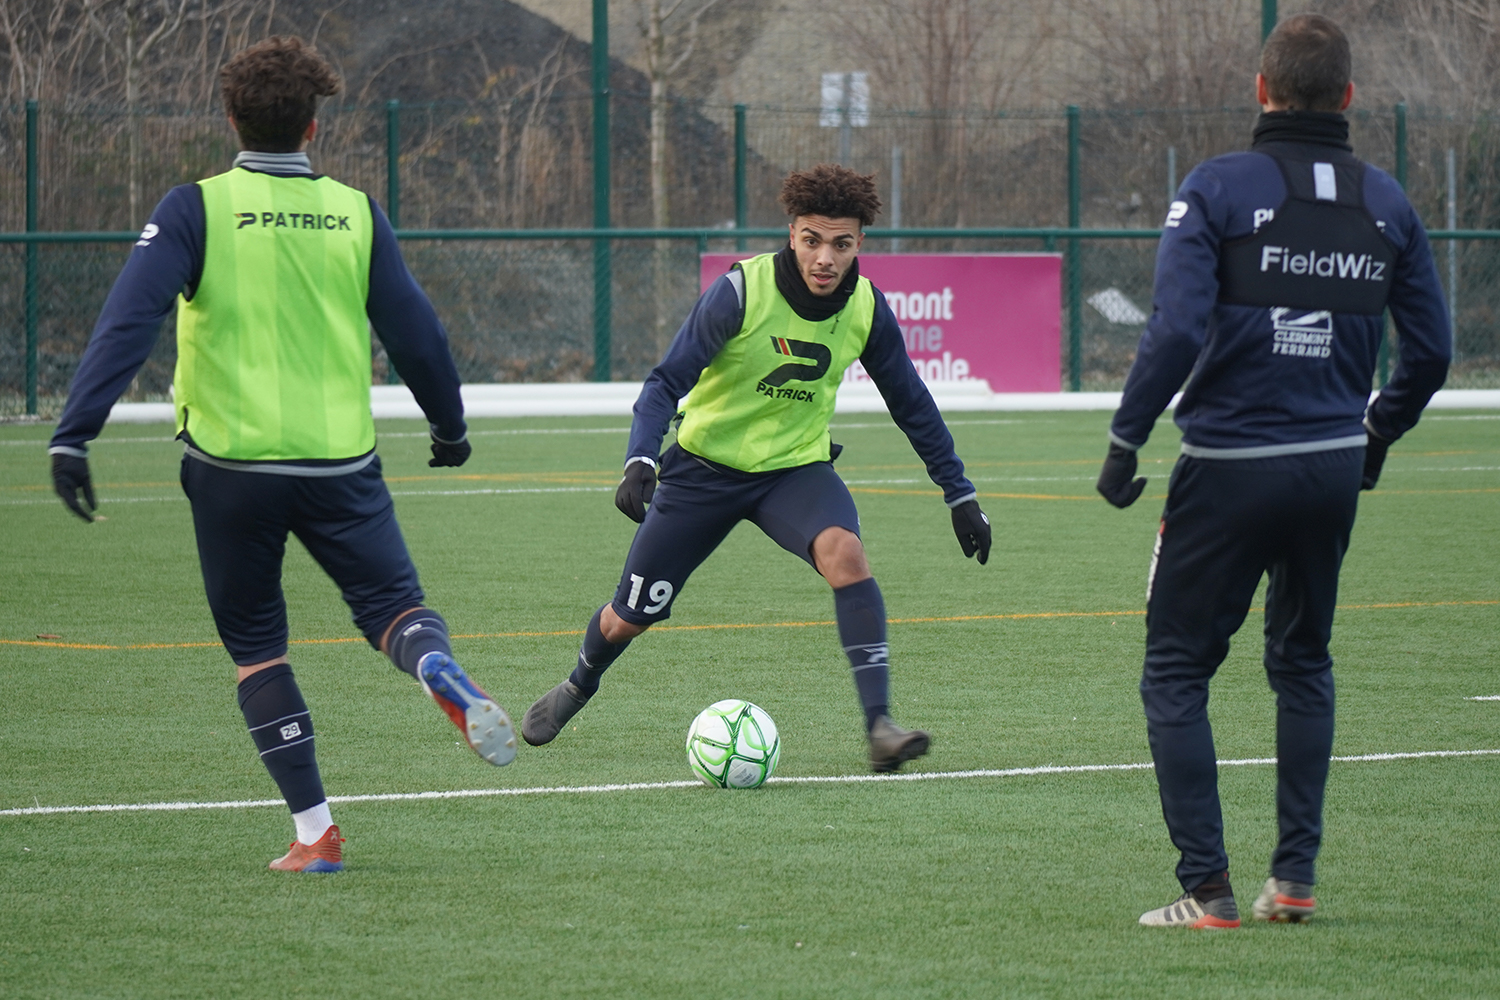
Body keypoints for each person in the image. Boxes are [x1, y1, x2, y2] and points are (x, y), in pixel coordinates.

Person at [47, 36, 516, 873]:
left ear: (230, 117)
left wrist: (75, 430)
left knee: (259, 648)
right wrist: (449, 427)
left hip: (231, 471)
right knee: (393, 611)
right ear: (313, 125)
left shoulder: (197, 207)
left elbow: (130, 321)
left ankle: (316, 834)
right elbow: (418, 334)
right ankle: (435, 665)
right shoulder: (354, 211)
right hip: (341, 464)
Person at [1097, 14, 1451, 928]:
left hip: (1227, 464)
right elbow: (1433, 352)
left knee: (1175, 670)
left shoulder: (1217, 186)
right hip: (1331, 466)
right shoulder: (1388, 201)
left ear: (1261, 91)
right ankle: (1292, 880)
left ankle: (1206, 891)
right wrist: (1376, 434)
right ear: (1348, 99)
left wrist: (1126, 439)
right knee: (1303, 661)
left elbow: (1175, 328)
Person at [521, 164, 992, 772]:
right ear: (792, 232)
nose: (826, 257)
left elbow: (912, 404)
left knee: (845, 553)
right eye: (812, 240)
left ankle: (880, 726)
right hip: (701, 472)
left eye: (841, 244)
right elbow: (666, 382)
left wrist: (959, 494)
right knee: (629, 618)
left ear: (860, 245)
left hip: (793, 473)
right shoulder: (741, 291)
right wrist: (640, 456)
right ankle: (578, 685)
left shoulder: (868, 309)